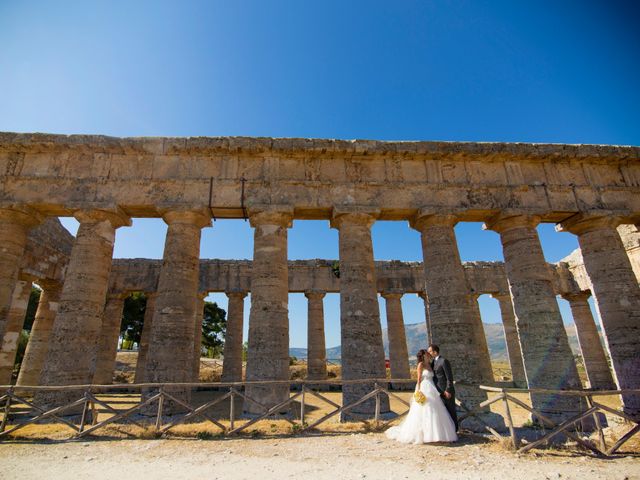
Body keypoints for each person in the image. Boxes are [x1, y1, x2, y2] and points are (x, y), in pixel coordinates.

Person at [385, 349, 458, 444]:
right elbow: (419, 379)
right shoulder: (421, 365)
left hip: (432, 388)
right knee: (424, 409)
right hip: (424, 387)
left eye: (429, 353)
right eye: (427, 353)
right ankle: (423, 434)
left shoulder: (430, 364)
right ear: (423, 355)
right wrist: (418, 391)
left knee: (436, 410)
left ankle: (437, 434)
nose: (428, 354)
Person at [427, 344, 459, 432]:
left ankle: (455, 431)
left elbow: (449, 377)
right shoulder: (433, 362)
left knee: (450, 410)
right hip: (437, 391)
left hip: (445, 391)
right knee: (443, 412)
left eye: (430, 351)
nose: (429, 353)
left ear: (435, 352)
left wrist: (448, 390)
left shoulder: (444, 361)